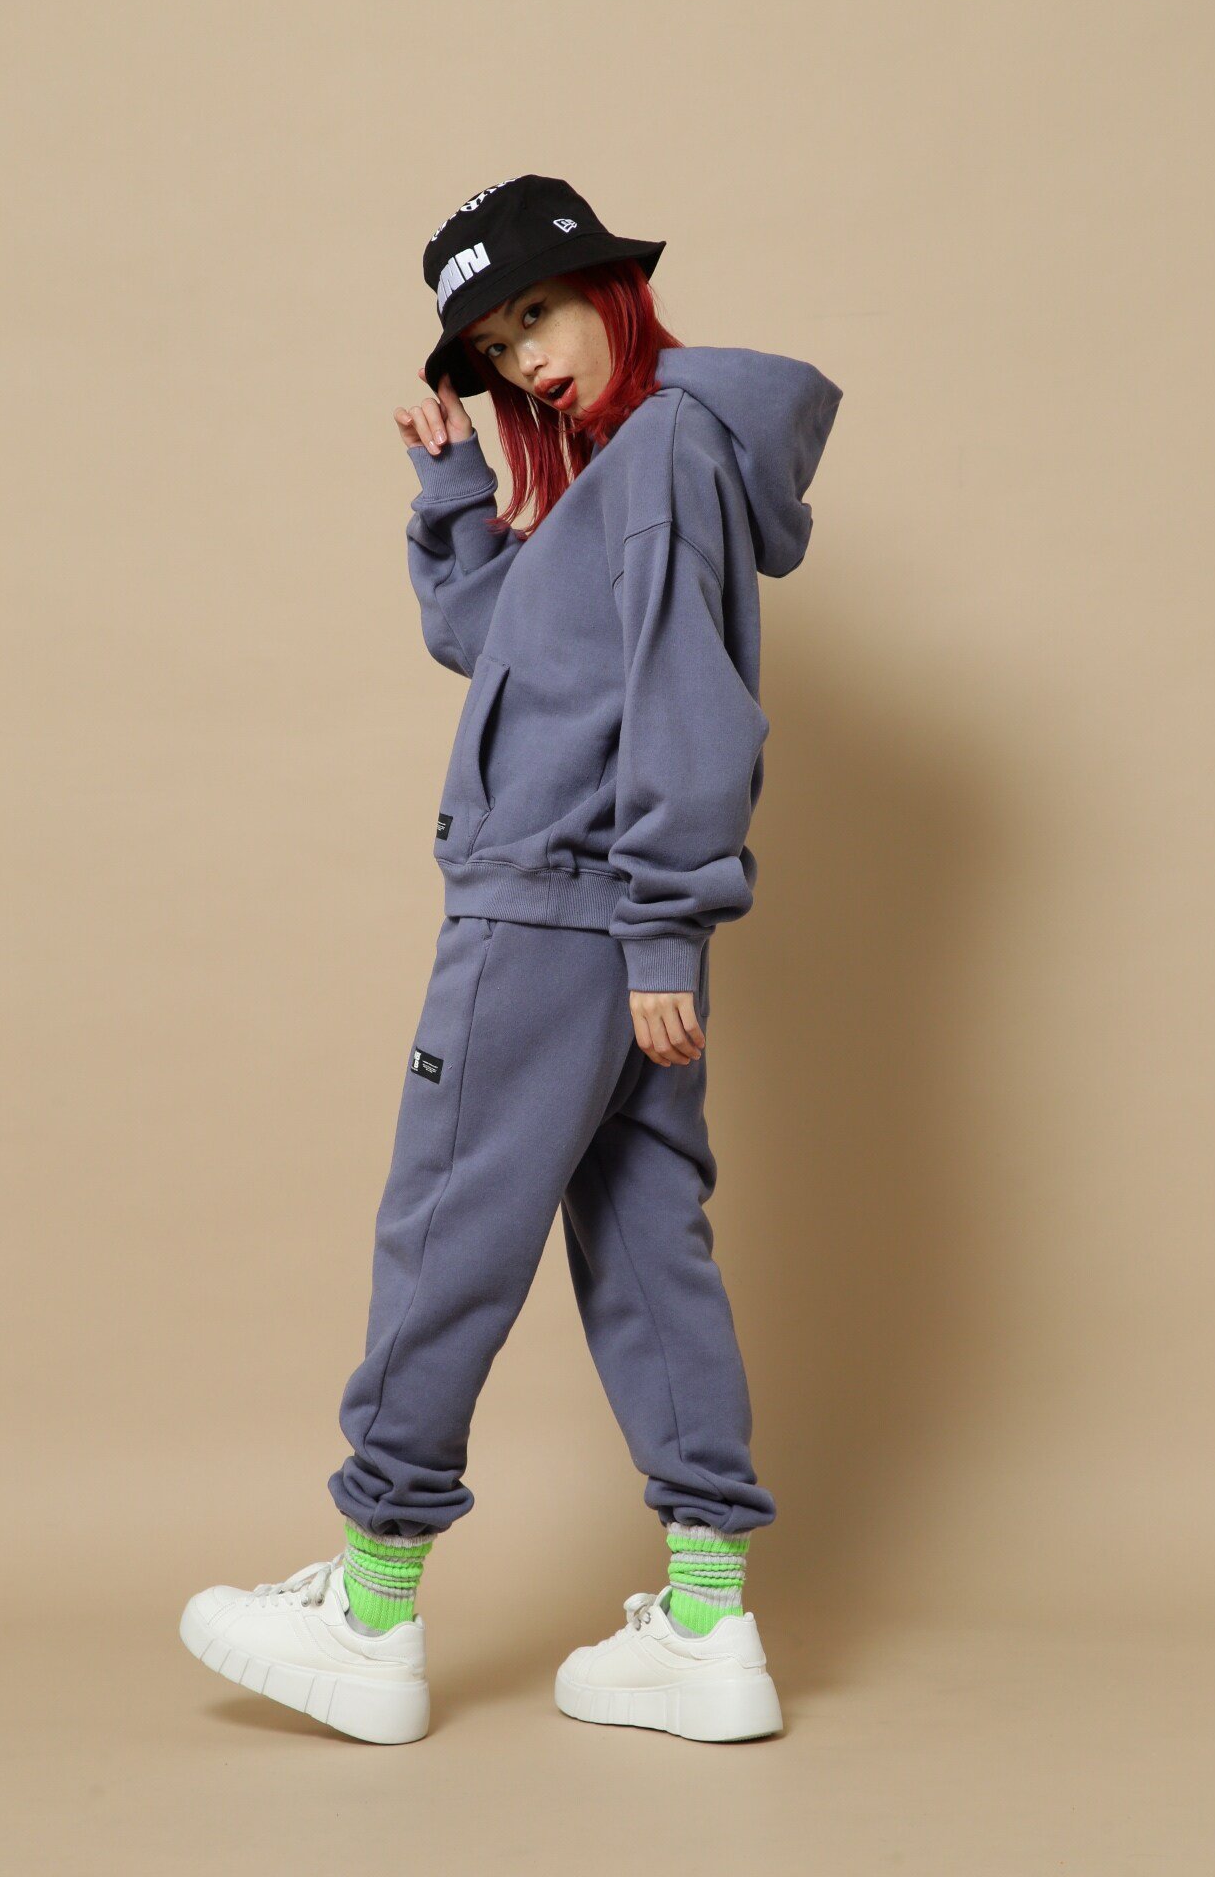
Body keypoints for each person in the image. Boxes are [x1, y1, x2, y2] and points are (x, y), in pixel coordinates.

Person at [179, 175, 842, 1746]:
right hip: (610, 922)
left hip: (554, 914)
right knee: (648, 1250)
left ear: (611, 291)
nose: (526, 359)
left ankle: (371, 1604)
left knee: (446, 1233)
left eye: (537, 313)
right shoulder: (637, 464)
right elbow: (501, 655)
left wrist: (663, 919)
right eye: (493, 345)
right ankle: (705, 1623)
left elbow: (690, 697)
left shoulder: (661, 451)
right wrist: (452, 489)